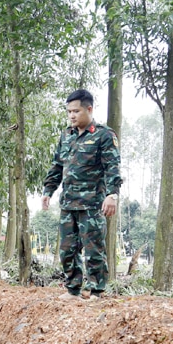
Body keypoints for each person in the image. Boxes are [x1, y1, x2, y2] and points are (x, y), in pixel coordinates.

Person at [42, 89, 122, 301]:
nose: (71, 115)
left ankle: (96, 291)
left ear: (89, 109)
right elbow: (57, 166)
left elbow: (112, 168)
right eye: (69, 111)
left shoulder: (104, 135)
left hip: (92, 205)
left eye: (76, 111)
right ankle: (73, 289)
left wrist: (112, 195)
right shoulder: (66, 136)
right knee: (67, 250)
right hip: (68, 204)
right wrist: (48, 190)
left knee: (94, 249)